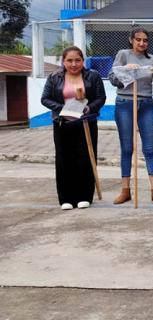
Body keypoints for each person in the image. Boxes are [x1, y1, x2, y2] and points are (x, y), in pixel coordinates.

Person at [108, 27, 153, 205]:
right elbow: (113, 78)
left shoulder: (152, 59)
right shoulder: (123, 55)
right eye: (138, 40)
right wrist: (125, 70)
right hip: (125, 103)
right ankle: (125, 190)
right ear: (131, 40)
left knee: (149, 148)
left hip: (146, 103)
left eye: (145, 40)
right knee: (127, 148)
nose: (142, 43)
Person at [41, 46, 106, 210]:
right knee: (64, 160)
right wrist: (63, 109)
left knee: (85, 159)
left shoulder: (93, 76)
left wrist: (88, 108)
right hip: (62, 124)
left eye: (77, 60)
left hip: (86, 123)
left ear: (83, 61)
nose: (74, 64)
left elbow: (101, 97)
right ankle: (66, 198)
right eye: (69, 60)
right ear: (63, 62)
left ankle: (84, 196)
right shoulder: (54, 77)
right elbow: (45, 99)